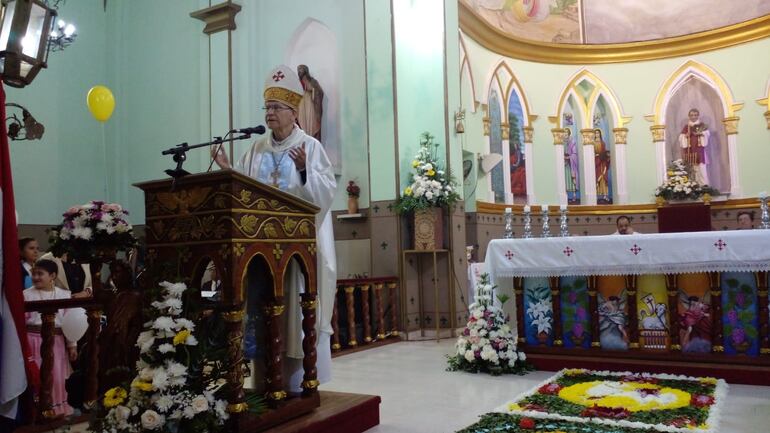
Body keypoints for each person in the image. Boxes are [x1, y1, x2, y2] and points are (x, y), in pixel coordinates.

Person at [211, 65, 337, 393]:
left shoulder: (310, 147)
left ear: (293, 112)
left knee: (295, 313)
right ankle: (264, 380)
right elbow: (244, 191)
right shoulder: (255, 149)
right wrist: (228, 171)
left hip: (296, 254)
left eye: (276, 108)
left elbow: (325, 192)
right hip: (259, 252)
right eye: (267, 108)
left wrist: (304, 169)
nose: (269, 114)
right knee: (259, 310)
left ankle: (296, 382)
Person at [23, 259, 77, 416]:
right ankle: (37, 410)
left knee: (56, 374)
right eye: (34, 274)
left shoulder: (64, 295)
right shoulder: (26, 295)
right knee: (37, 375)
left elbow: (70, 322)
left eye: (41, 274)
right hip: (33, 340)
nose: (36, 277)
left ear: (52, 275)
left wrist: (72, 345)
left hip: (57, 341)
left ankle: (56, 408)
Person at [678, 108, 710, 186]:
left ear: (698, 115)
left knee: (701, 168)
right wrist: (685, 136)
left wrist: (701, 134)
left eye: (695, 115)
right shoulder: (686, 127)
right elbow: (681, 138)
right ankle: (694, 185)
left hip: (699, 151)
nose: (693, 117)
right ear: (689, 116)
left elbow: (707, 133)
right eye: (691, 115)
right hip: (690, 151)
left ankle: (704, 185)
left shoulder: (702, 125)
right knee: (692, 168)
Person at [297, 64, 324, 142]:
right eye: (298, 71)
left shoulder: (312, 81)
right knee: (302, 125)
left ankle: (311, 138)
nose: (299, 73)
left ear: (305, 71)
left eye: (301, 70)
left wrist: (311, 89)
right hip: (301, 106)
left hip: (310, 106)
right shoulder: (297, 83)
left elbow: (319, 92)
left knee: (311, 124)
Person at [593, 129, 611, 203]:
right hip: (596, 160)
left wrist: (606, 157)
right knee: (596, 177)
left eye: (598, 133)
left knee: (603, 177)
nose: (597, 134)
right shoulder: (592, 143)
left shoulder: (602, 143)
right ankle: (597, 195)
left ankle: (605, 195)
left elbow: (604, 152)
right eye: (595, 133)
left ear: (600, 134)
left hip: (602, 161)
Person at [563, 128, 579, 202]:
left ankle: (574, 196)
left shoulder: (572, 143)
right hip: (565, 165)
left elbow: (574, 154)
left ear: (569, 133)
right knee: (565, 180)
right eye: (564, 132)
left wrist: (568, 157)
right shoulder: (562, 143)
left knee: (573, 179)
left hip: (570, 165)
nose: (565, 133)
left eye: (566, 132)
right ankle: (566, 196)